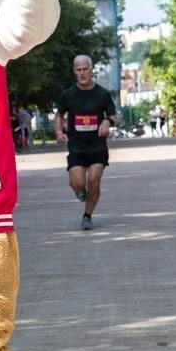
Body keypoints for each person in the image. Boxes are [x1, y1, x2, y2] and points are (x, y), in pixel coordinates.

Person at [56, 55, 116, 231]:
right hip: (76, 146)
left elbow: (113, 116)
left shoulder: (102, 94)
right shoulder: (68, 95)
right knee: (78, 183)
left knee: (94, 180)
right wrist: (58, 132)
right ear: (74, 72)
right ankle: (79, 191)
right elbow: (59, 115)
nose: (82, 73)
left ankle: (87, 216)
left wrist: (107, 122)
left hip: (97, 145)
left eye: (85, 69)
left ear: (91, 70)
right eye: (78, 70)